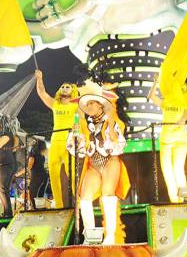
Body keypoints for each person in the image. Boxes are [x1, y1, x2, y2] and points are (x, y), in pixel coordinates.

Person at [66, 81, 129, 245]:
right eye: (86, 103)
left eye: (92, 102)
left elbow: (117, 145)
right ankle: (90, 236)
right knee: (85, 198)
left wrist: (110, 125)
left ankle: (110, 236)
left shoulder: (112, 121)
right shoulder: (84, 126)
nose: (88, 106)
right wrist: (76, 136)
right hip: (94, 164)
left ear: (101, 105)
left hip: (110, 161)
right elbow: (77, 150)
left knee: (108, 194)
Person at [34, 70, 78, 209]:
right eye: (62, 86)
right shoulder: (55, 104)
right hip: (55, 142)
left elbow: (81, 120)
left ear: (73, 90)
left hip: (69, 142)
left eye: (68, 86)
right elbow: (42, 93)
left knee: (73, 174)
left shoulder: (77, 105)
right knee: (53, 174)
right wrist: (39, 78)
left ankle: (79, 204)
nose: (64, 88)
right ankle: (59, 205)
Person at [149, 77, 187, 203]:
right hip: (165, 139)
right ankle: (174, 201)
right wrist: (155, 82)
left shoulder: (184, 97)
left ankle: (186, 199)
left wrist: (180, 122)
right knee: (167, 171)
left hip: (180, 138)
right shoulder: (166, 101)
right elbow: (151, 96)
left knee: (179, 169)